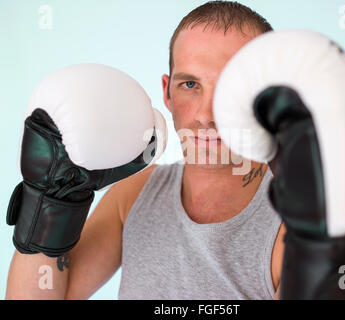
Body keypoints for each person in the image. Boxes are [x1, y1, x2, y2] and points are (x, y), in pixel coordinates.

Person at [6, 1, 286, 300]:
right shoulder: (134, 194)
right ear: (167, 93)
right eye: (190, 84)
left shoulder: (295, 224)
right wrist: (50, 200)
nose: (207, 114)